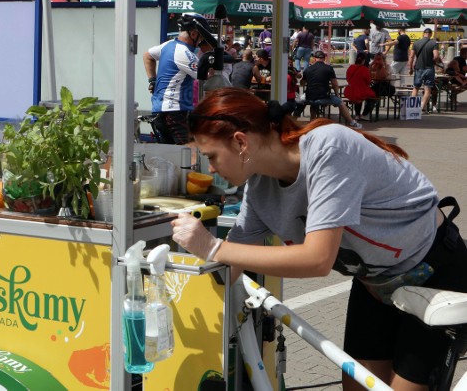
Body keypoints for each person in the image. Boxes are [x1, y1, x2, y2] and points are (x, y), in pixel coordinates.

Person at [171, 87, 467, 391]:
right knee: (357, 386)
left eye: (211, 156)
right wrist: (173, 300)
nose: (210, 168)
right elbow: (229, 264)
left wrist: (214, 246)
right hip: (376, 283)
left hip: (433, 270)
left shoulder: (329, 148)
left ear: (240, 142)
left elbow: (317, 259)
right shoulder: (260, 189)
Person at [143, 12, 217, 144]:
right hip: (175, 112)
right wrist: (209, 52)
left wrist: (152, 80)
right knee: (188, 152)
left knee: (170, 157)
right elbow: (208, 77)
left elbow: (147, 56)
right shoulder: (185, 53)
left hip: (160, 109)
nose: (201, 41)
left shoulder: (168, 45)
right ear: (193, 34)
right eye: (201, 38)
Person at [300, 50, 360, 128]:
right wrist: (337, 95)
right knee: (340, 102)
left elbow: (302, 83)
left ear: (314, 58)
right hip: (324, 96)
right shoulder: (328, 68)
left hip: (310, 97)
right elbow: (334, 83)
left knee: (311, 103)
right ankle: (352, 122)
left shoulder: (308, 69)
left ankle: (312, 123)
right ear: (324, 59)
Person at [408, 28, 442, 113]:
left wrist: (410, 68)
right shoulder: (433, 43)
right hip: (429, 68)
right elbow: (436, 56)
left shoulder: (416, 43)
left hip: (419, 68)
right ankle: (422, 108)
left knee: (416, 88)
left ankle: (412, 108)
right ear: (431, 34)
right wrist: (433, 61)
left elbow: (411, 57)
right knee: (428, 89)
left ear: (423, 34)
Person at [343, 52, 377, 121]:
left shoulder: (350, 67)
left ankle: (357, 114)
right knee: (372, 98)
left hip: (350, 90)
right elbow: (368, 81)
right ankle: (364, 114)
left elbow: (347, 78)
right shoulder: (364, 69)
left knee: (358, 98)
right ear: (364, 60)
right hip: (361, 90)